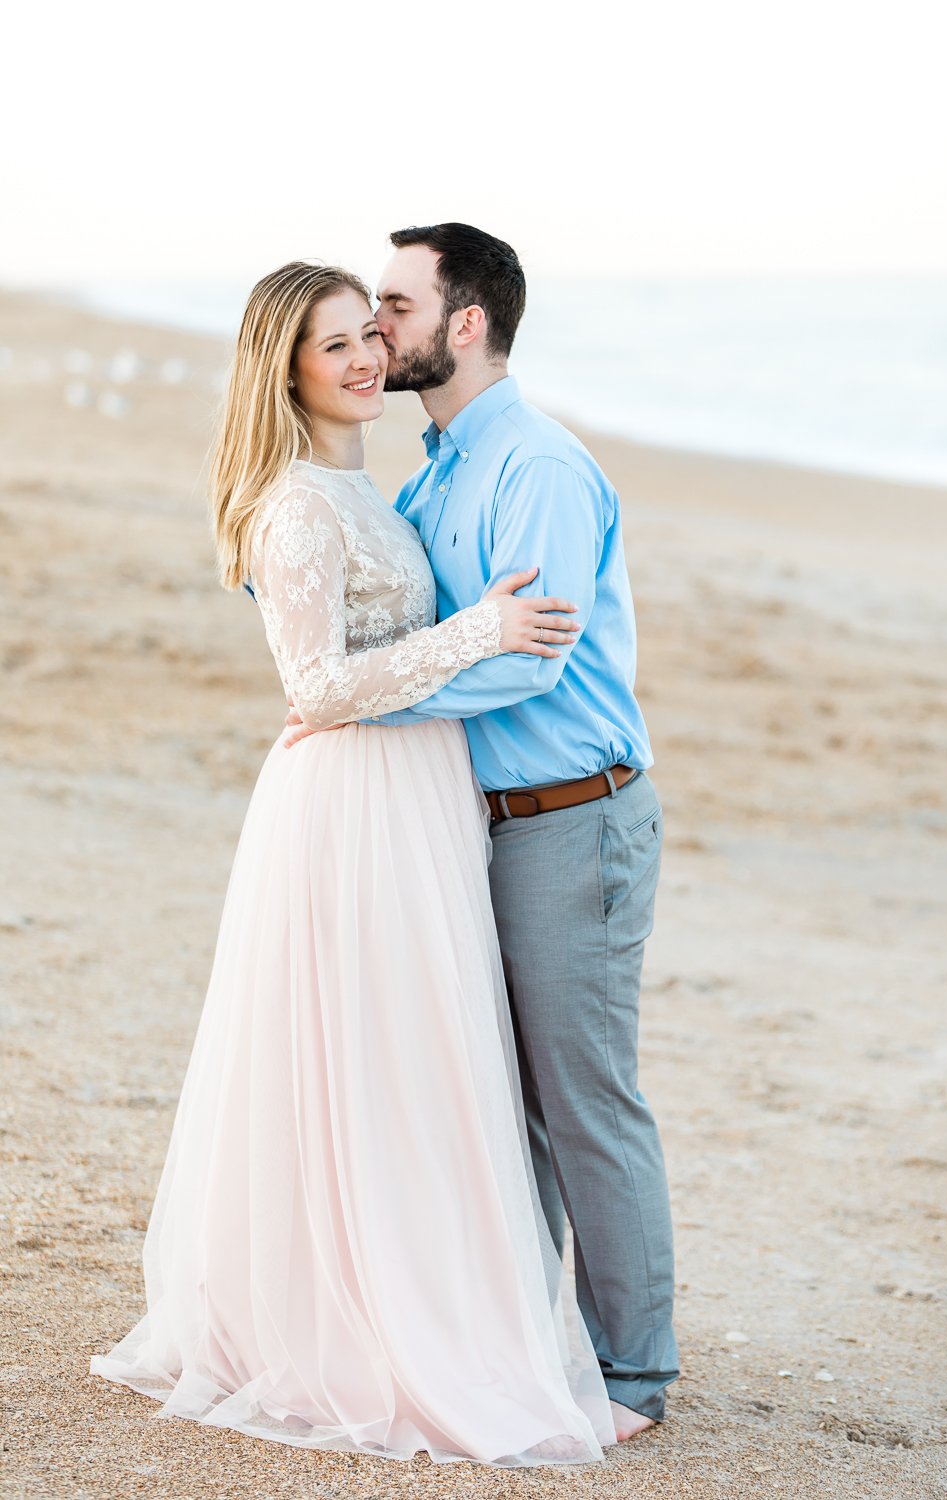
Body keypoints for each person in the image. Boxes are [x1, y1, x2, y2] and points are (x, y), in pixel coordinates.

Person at [89, 260, 617, 1467]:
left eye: (367, 335)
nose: (365, 358)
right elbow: (314, 687)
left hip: (418, 792)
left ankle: (427, 1292)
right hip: (352, 804)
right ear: (287, 372)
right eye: (334, 347)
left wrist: (454, 638)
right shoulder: (294, 506)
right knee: (369, 1052)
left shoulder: (363, 485)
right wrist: (477, 626)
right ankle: (350, 1316)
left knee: (420, 1054)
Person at [286, 223, 680, 1437]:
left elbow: (526, 669)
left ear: (464, 323)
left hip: (572, 822)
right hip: (473, 826)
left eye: (394, 306)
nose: (375, 330)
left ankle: (631, 1377)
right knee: (497, 1103)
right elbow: (382, 615)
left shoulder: (537, 469)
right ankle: (528, 1342)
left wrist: (364, 708)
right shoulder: (434, 468)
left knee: (582, 1101)